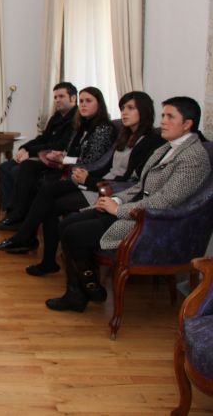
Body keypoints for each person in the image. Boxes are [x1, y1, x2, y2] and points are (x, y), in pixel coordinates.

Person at [46, 96, 210, 313]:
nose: (163, 121)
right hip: (135, 208)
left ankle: (81, 292)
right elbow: (140, 185)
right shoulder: (167, 148)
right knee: (68, 224)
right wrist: (114, 200)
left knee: (75, 233)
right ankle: (87, 288)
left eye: (170, 116)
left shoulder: (193, 157)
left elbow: (166, 201)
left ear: (188, 124)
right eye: (163, 116)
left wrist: (119, 210)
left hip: (151, 223)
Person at [0, 91, 166, 275]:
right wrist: (86, 174)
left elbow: (131, 180)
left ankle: (28, 241)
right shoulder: (124, 135)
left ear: (144, 111)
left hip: (111, 190)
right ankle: (42, 255)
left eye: (130, 108)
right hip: (99, 182)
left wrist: (88, 179)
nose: (124, 112)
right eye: (123, 108)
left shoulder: (149, 140)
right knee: (47, 192)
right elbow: (105, 164)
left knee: (50, 199)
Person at [0, 86, 116, 231]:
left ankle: (21, 223)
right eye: (82, 100)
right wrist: (28, 148)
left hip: (77, 171)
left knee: (28, 174)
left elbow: (89, 160)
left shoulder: (102, 128)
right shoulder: (76, 122)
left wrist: (62, 159)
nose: (83, 104)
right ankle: (16, 214)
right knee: (24, 166)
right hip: (64, 162)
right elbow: (58, 144)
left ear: (99, 103)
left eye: (88, 101)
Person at [0, 82, 77, 212]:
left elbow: (60, 145)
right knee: (4, 168)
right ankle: (9, 210)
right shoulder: (56, 117)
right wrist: (24, 148)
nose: (57, 100)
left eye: (61, 96)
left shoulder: (76, 118)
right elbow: (43, 138)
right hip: (41, 153)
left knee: (17, 171)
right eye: (55, 97)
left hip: (54, 159)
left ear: (73, 98)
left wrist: (31, 152)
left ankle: (21, 211)